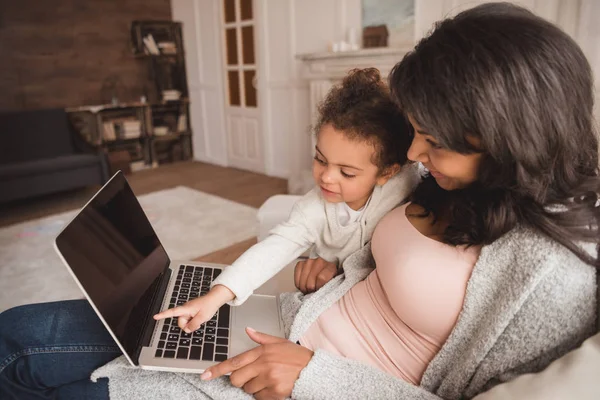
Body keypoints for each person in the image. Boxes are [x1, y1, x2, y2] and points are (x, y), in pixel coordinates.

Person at [1, 3, 599, 399]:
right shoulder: (442, 185)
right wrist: (338, 269)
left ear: (506, 138)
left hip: (301, 378)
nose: (415, 151)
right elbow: (357, 240)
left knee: (34, 369)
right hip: (284, 322)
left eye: (434, 140)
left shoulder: (554, 277)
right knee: (16, 334)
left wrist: (316, 376)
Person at [153, 68, 419, 333]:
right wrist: (216, 296)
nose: (326, 177)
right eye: (320, 159)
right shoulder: (313, 209)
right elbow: (273, 249)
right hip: (323, 296)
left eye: (346, 172)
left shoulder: (405, 183)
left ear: (386, 172)